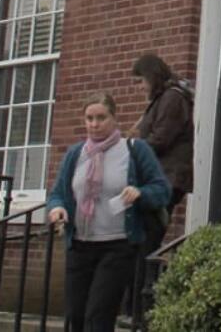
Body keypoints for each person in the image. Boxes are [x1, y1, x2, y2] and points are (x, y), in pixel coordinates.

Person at [47, 93, 170, 332]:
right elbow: (57, 194)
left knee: (98, 315)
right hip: (79, 246)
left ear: (114, 117)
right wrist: (57, 209)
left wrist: (140, 193)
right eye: (89, 118)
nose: (94, 124)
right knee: (76, 316)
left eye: (101, 117)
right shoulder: (75, 154)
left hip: (117, 247)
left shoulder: (134, 150)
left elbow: (162, 190)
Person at [130, 53, 194, 215]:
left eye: (141, 80)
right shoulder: (166, 98)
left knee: (149, 232)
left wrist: (132, 149)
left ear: (152, 77)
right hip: (163, 176)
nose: (140, 86)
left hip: (167, 177)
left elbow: (160, 139)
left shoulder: (172, 98)